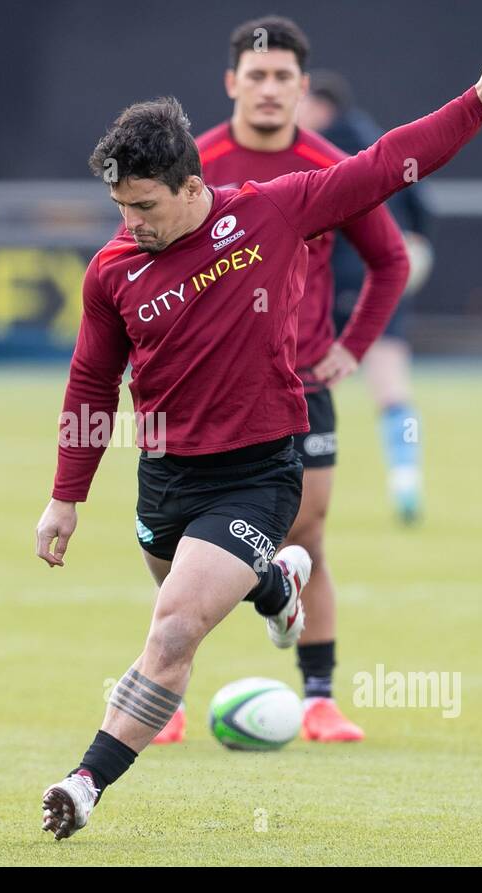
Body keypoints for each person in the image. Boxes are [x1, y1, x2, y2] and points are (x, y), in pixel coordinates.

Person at [34, 44, 482, 840]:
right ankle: (274, 586)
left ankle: (84, 783)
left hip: (259, 473)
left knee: (172, 630)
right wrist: (66, 497)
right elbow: (91, 386)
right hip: (165, 480)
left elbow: (386, 164)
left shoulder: (273, 211)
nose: (129, 225)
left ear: (191, 187)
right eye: (120, 209)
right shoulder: (111, 272)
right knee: (189, 600)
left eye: (143, 208)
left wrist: (479, 99)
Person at [147, 16, 407, 747]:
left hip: (297, 383)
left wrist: (352, 347)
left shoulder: (329, 168)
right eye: (255, 76)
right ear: (232, 82)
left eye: (282, 77)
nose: (268, 88)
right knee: (172, 547)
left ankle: (319, 697)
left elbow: (390, 260)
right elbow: (135, 257)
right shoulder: (189, 166)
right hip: (198, 387)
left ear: (302, 87)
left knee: (308, 533)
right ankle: (164, 693)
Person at [300, 70, 436, 524]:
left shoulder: (315, 151)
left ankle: (283, 486)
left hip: (333, 279)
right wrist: (415, 242)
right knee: (391, 385)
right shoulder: (380, 141)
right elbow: (422, 205)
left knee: (300, 384)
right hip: (386, 276)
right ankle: (405, 481)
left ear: (320, 107)